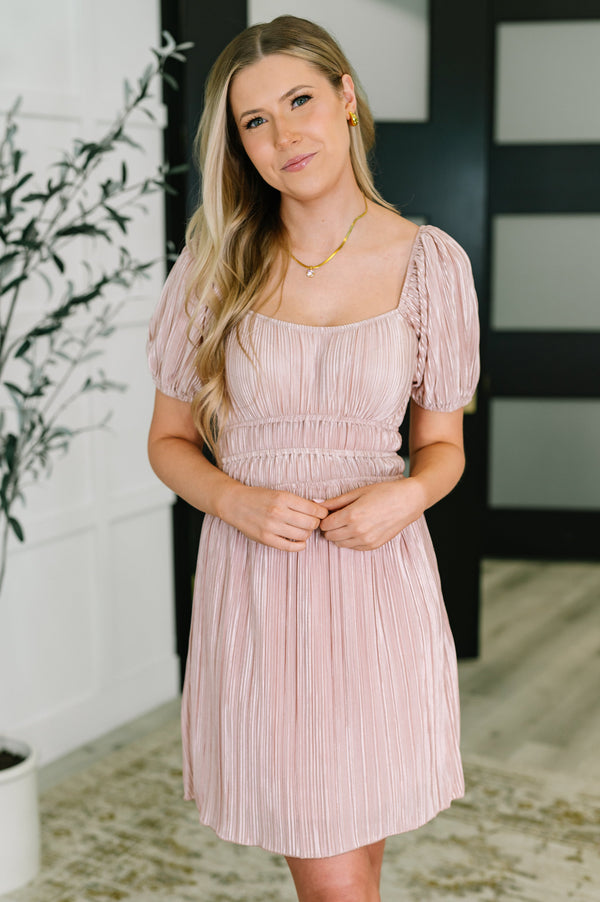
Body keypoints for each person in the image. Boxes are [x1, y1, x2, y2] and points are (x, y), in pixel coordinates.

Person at [147, 14, 480, 902]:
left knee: (356, 853)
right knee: (331, 873)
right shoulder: (213, 265)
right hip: (265, 582)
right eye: (255, 120)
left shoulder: (431, 265)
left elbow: (443, 449)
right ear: (241, 144)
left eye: (299, 100)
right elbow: (169, 444)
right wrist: (234, 500)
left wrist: (405, 496)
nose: (285, 133)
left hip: (379, 579)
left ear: (345, 99)